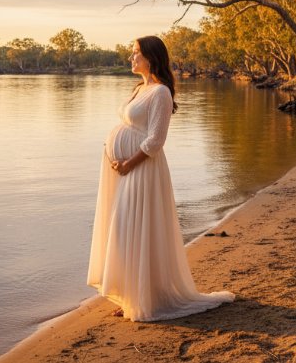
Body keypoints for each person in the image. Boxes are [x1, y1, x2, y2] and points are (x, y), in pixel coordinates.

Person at [87, 35, 234, 321]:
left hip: (142, 171)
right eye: (132, 53)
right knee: (124, 231)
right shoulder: (140, 88)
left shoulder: (161, 93)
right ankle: (131, 294)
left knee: (139, 230)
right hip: (125, 171)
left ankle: (147, 298)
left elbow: (156, 140)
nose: (131, 58)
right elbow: (129, 127)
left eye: (135, 53)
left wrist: (129, 163)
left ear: (151, 57)